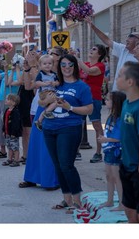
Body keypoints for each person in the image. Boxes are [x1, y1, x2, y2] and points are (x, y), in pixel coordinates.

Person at [42, 54, 93, 211]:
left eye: (70, 65)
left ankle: (77, 201)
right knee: (58, 165)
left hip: (70, 129)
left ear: (75, 67)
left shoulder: (82, 87)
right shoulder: (55, 85)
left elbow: (89, 109)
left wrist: (69, 108)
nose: (66, 68)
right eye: (63, 65)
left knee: (66, 165)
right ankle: (67, 199)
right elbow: (42, 102)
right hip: (49, 128)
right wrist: (46, 100)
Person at [18, 46, 63, 190]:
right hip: (38, 108)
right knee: (35, 143)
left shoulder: (58, 73)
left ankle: (49, 180)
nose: (49, 58)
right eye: (48, 55)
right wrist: (27, 69)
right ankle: (32, 177)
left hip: (53, 108)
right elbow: (28, 86)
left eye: (52, 55)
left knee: (48, 145)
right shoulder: (40, 71)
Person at [116, 61, 139, 223]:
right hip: (126, 165)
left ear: (130, 82)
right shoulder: (126, 103)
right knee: (130, 210)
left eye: (120, 75)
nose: (117, 77)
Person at [85, 17, 139, 91]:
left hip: (131, 95)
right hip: (117, 93)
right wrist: (93, 27)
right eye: (127, 37)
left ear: (138, 40)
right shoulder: (123, 49)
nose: (127, 39)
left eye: (130, 37)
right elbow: (106, 39)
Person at [75, 44, 106, 163]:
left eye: (94, 49)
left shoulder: (100, 66)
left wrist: (78, 59)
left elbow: (89, 71)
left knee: (97, 125)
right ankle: (76, 151)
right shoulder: (85, 64)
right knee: (78, 124)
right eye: (91, 48)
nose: (91, 50)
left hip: (94, 98)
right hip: (81, 98)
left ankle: (99, 153)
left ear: (100, 54)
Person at [97, 91, 126, 211]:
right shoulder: (111, 116)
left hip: (116, 151)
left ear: (116, 103)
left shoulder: (119, 119)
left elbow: (119, 137)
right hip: (109, 151)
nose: (105, 100)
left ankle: (122, 204)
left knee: (117, 178)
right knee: (109, 176)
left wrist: (105, 139)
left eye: (108, 99)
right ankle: (109, 201)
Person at [33, 54, 59, 130]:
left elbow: (58, 82)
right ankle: (46, 111)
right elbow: (37, 83)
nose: (47, 65)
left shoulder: (54, 74)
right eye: (44, 64)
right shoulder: (40, 74)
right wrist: (44, 84)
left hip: (52, 91)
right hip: (44, 92)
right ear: (40, 65)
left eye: (49, 63)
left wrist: (55, 83)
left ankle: (39, 120)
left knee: (55, 103)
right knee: (56, 101)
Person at [1, 93, 22, 167]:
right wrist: (4, 130)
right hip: (7, 132)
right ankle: (9, 159)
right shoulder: (7, 110)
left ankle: (16, 160)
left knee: (15, 147)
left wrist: (13, 133)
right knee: (9, 146)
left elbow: (16, 123)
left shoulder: (15, 112)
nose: (6, 100)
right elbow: (5, 121)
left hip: (13, 133)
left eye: (8, 99)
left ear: (13, 102)